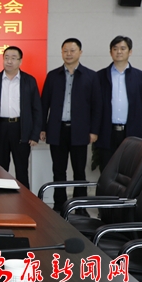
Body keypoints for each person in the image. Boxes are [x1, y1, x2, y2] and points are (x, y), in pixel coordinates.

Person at [40, 38, 102, 212]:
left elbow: (97, 106)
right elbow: (44, 104)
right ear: (61, 53)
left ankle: (80, 207)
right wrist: (42, 128)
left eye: (72, 50)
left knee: (79, 171)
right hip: (57, 129)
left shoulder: (91, 76)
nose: (68, 54)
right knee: (58, 170)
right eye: (65, 50)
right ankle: (59, 206)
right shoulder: (53, 75)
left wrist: (94, 131)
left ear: (80, 52)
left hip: (80, 131)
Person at [0, 46, 42, 189]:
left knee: (22, 170)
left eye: (13, 58)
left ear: (20, 61)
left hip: (21, 128)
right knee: (0, 169)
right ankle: (0, 199)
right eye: (6, 58)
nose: (9, 61)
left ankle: (25, 200)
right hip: (0, 128)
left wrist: (35, 134)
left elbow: (37, 109)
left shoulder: (29, 81)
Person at [95, 36, 142, 171]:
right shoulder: (100, 76)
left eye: (123, 48)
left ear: (130, 52)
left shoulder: (140, 76)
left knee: (129, 172)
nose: (119, 52)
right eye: (115, 49)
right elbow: (94, 106)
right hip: (107, 132)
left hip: (132, 131)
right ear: (110, 52)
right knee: (106, 170)